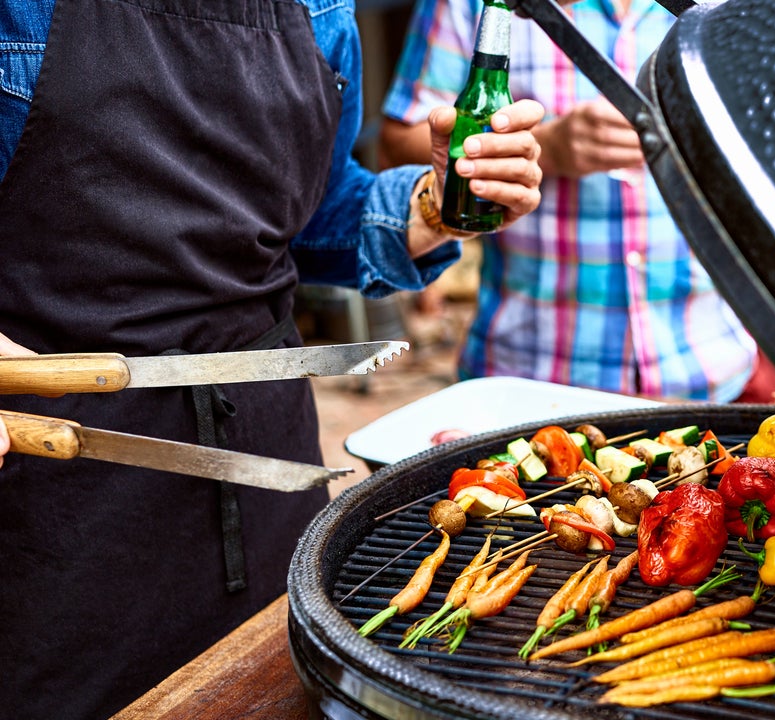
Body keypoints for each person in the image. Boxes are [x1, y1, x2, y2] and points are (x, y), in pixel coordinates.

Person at [0, 0, 544, 717]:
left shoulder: (321, 11)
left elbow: (307, 216)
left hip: (266, 465)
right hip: (53, 492)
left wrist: (432, 205)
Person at [379, 0, 775, 404]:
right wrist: (547, 149)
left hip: (717, 368)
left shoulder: (731, 6)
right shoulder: (468, 6)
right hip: (530, 384)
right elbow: (397, 146)